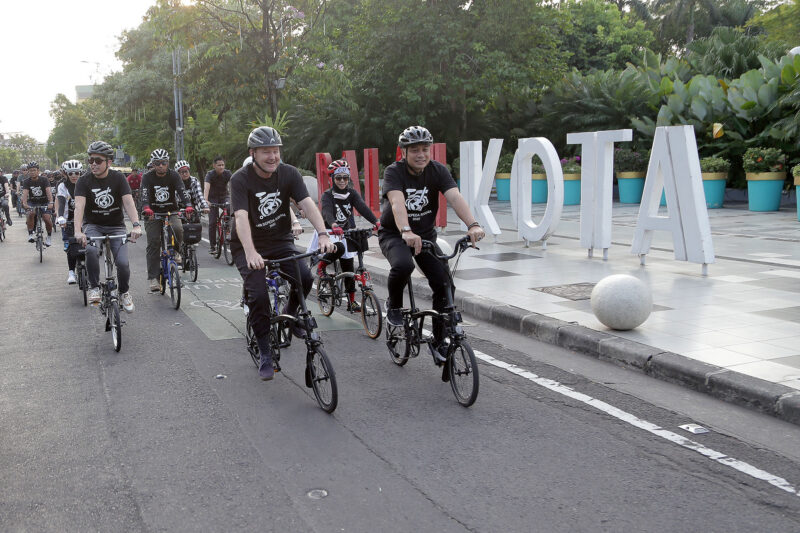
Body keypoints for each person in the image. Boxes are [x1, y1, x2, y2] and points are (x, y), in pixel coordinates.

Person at [231, 126, 335, 381]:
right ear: (253, 153)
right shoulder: (240, 179)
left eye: (276, 151)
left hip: (280, 241)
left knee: (305, 278)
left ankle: (290, 316)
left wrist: (322, 234)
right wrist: (251, 252)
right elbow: (241, 217)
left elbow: (307, 204)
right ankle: (266, 351)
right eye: (266, 152)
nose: (272, 157)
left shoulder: (289, 174)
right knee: (257, 296)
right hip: (249, 245)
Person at [379, 126, 485, 352]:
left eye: (425, 149)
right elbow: (397, 203)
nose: (421, 154)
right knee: (403, 265)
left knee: (444, 283)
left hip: (425, 237)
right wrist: (406, 230)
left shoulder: (438, 170)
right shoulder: (393, 172)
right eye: (414, 150)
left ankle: (440, 339)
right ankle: (395, 306)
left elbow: (455, 197)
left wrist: (473, 225)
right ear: (403, 152)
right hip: (395, 234)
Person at [73, 141, 142, 312]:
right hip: (94, 225)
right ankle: (94, 287)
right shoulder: (83, 180)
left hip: (116, 226)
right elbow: (79, 206)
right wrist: (78, 231)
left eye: (98, 160)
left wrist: (136, 225)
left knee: (123, 263)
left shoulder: (118, 178)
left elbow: (128, 202)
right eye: (90, 161)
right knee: (89, 250)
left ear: (109, 162)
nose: (93, 164)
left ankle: (124, 292)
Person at [312, 159, 379, 312]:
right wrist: (334, 225)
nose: (342, 181)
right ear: (332, 179)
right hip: (329, 232)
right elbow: (327, 212)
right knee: (339, 248)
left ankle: (352, 301)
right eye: (338, 178)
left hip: (346, 231)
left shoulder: (352, 193)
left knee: (348, 266)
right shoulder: (327, 195)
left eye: (345, 178)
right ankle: (321, 268)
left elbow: (362, 207)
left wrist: (376, 222)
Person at [140, 148, 191, 292]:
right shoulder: (147, 177)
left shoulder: (174, 175)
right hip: (152, 213)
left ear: (167, 163)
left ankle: (176, 251)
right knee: (154, 242)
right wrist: (146, 207)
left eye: (163, 163)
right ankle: (153, 278)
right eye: (157, 163)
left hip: (171, 211)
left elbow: (182, 191)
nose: (160, 166)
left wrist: (188, 205)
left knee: (178, 228)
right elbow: (144, 194)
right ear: (153, 164)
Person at [56, 160, 83, 284]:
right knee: (71, 247)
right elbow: (61, 202)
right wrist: (60, 216)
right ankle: (71, 272)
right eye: (71, 173)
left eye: (77, 173)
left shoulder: (85, 184)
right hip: (68, 220)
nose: (74, 176)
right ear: (65, 173)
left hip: (85, 219)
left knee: (88, 246)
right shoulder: (62, 186)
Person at [21, 162, 54, 246]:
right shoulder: (26, 181)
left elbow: (48, 191)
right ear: (28, 171)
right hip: (32, 202)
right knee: (31, 214)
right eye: (30, 171)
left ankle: (49, 237)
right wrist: (24, 203)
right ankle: (30, 234)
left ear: (38, 171)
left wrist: (51, 202)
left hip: (45, 201)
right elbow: (25, 194)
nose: (32, 172)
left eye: (34, 170)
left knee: (46, 219)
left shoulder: (44, 179)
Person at [204, 155, 232, 255]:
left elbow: (233, 185)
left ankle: (228, 230)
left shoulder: (228, 173)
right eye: (219, 165)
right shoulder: (210, 175)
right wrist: (206, 201)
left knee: (231, 209)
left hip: (224, 196)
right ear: (214, 166)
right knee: (212, 222)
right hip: (212, 199)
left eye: (223, 165)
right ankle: (213, 246)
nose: (221, 167)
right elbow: (206, 188)